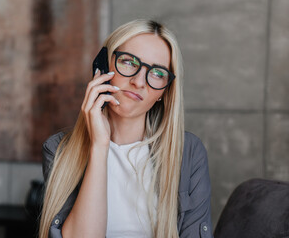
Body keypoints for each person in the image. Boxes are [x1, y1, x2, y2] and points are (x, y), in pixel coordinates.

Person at [39, 19, 213, 238]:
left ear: (164, 93)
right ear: (102, 66)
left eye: (158, 74)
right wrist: (100, 147)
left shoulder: (189, 153)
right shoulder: (59, 149)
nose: (139, 82)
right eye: (129, 62)